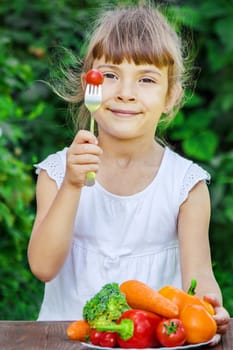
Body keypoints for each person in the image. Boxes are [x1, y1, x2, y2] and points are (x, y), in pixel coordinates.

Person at [27, 2, 229, 344]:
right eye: (109, 75)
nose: (125, 92)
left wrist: (210, 308)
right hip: (66, 341)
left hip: (148, 343)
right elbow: (44, 267)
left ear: (171, 96)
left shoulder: (186, 187)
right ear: (88, 86)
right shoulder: (58, 173)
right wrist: (73, 184)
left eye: (146, 79)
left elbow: (200, 277)